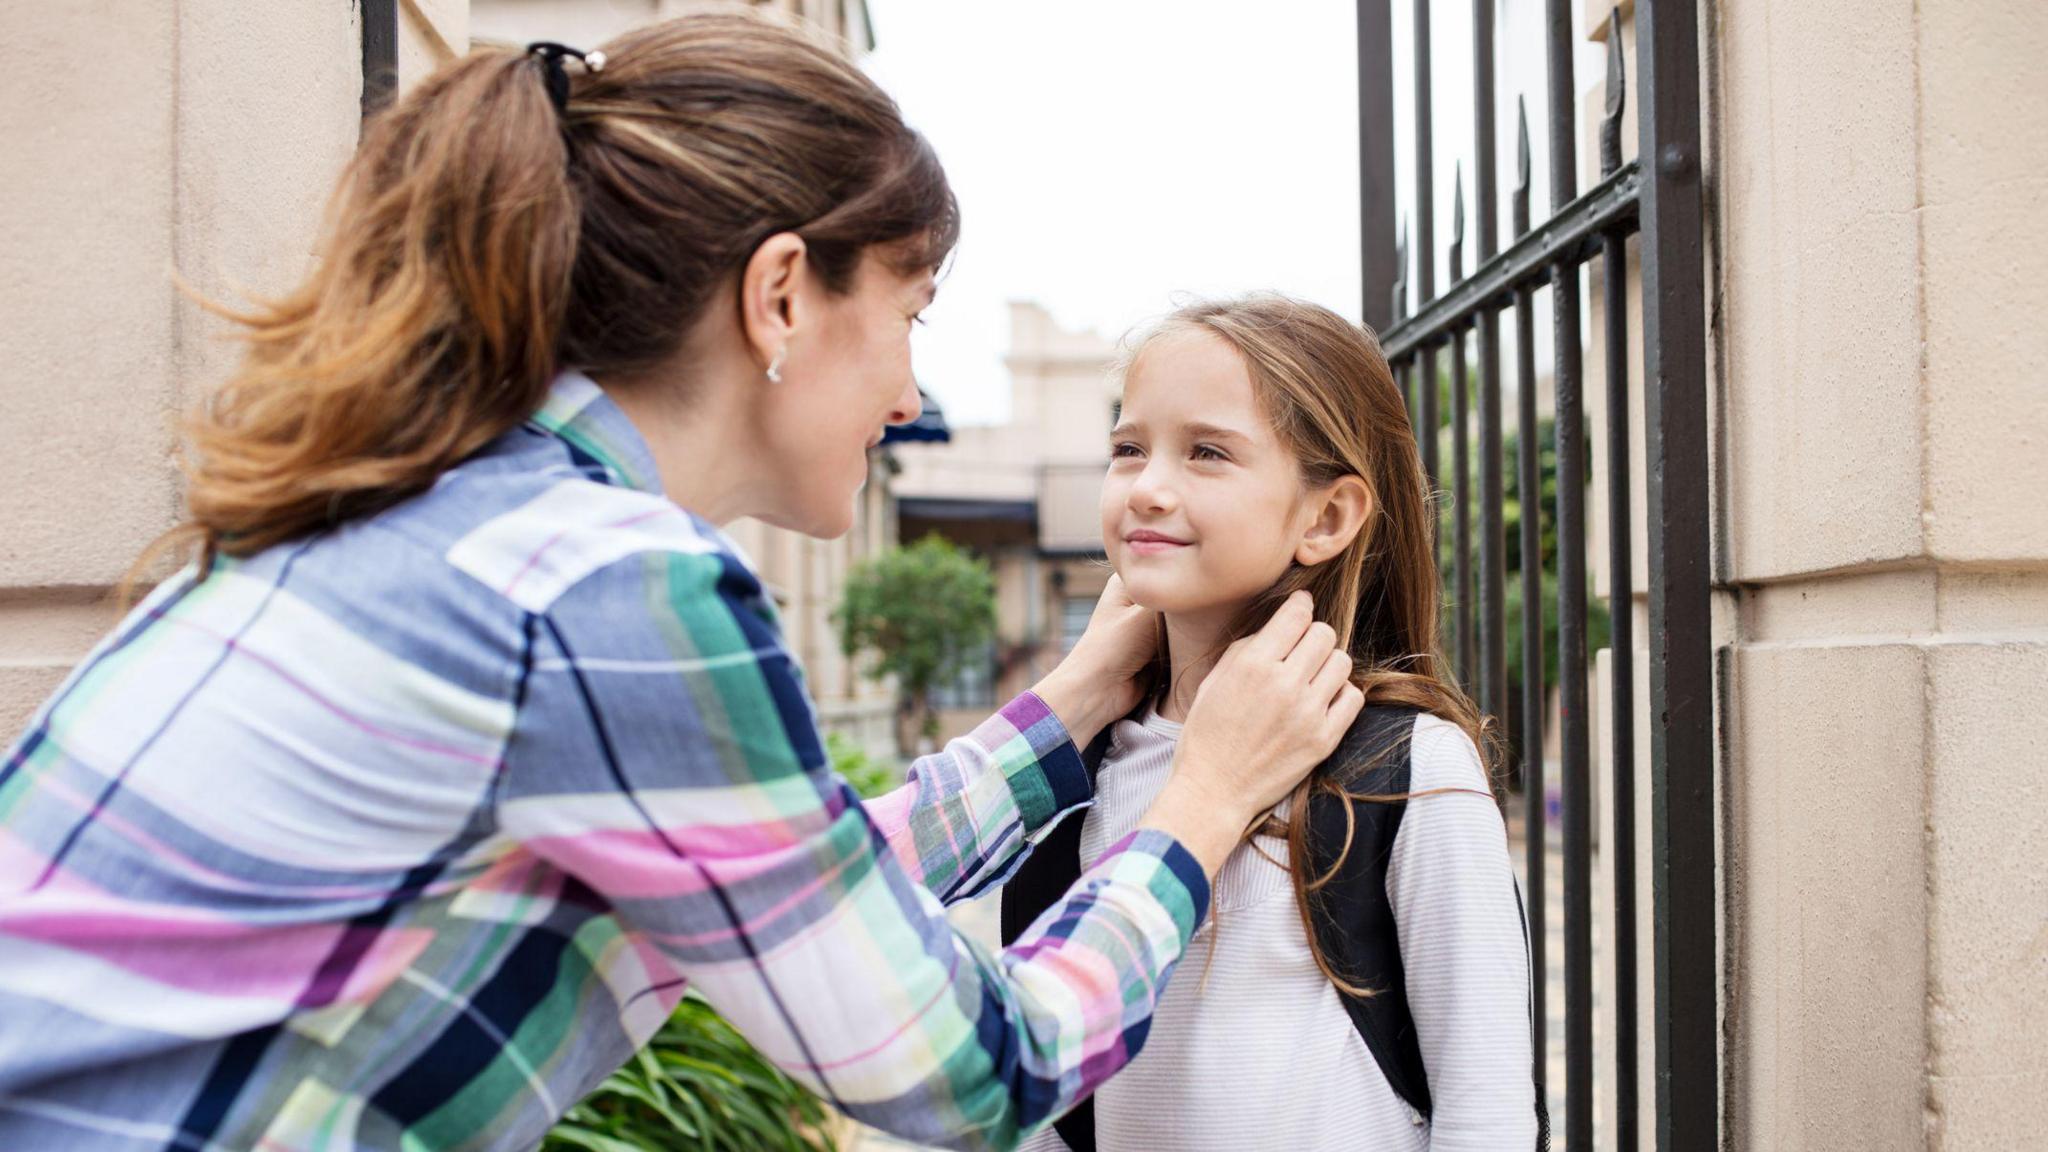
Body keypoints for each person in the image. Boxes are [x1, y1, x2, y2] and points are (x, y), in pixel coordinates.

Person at [0, 18, 1361, 1152]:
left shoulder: (447, 504)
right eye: (910, 315)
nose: (906, 393)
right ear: (781, 297)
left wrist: (1065, 711)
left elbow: (781, 896)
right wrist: (1198, 805)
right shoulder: (610, 590)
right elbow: (971, 1070)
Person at [1006, 295, 1540, 1151]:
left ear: (1325, 517)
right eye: (1128, 447)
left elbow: (1488, 1111)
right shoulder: (1077, 764)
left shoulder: (1409, 767)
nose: (1147, 487)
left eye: (1207, 452)